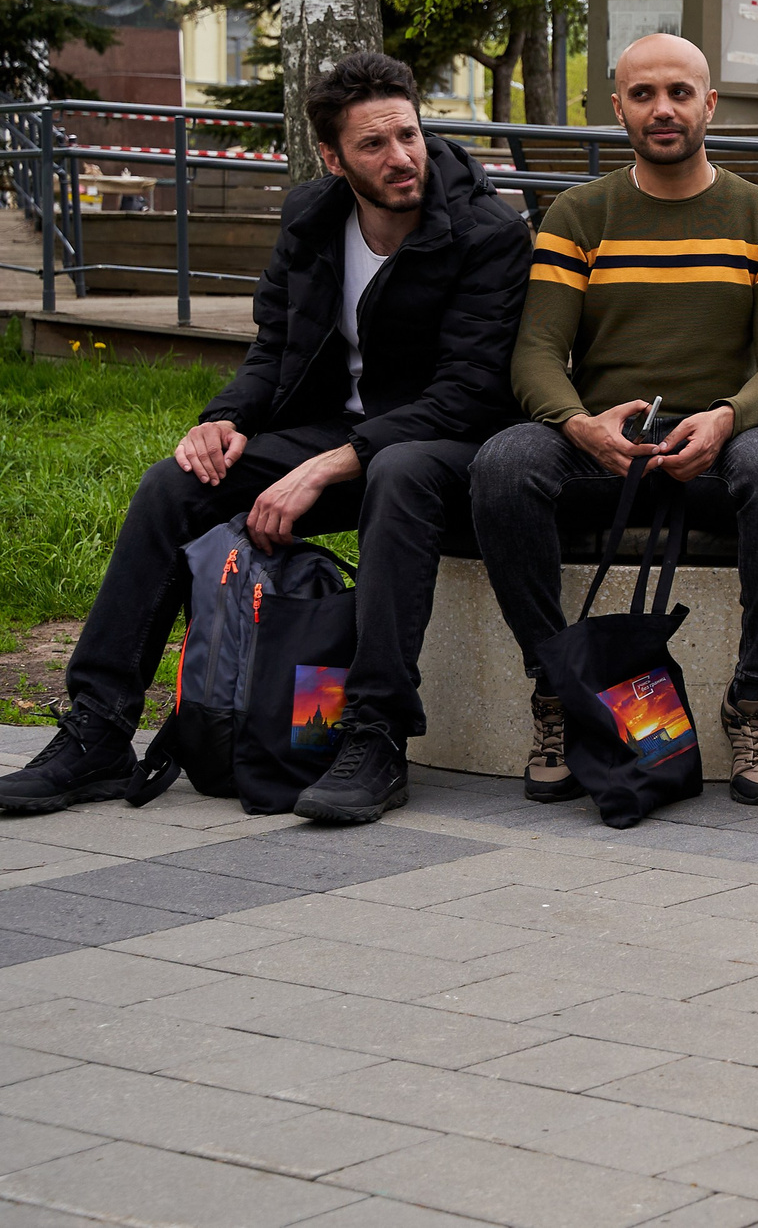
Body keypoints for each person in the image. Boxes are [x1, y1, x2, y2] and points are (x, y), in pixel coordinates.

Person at [0, 52, 530, 823]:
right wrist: (224, 420)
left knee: (399, 473)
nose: (401, 157)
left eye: (409, 135)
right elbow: (274, 351)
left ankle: (376, 736)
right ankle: (101, 728)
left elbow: (470, 391)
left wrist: (328, 464)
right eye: (374, 145)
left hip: (445, 445)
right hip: (329, 435)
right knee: (173, 486)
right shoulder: (312, 219)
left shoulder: (487, 232)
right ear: (332, 155)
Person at [472, 32, 758, 807]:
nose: (663, 109)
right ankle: (556, 689)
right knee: (502, 464)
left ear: (710, 104)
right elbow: (535, 353)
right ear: (617, 107)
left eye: (680, 93)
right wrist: (579, 424)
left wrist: (727, 419)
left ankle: (754, 698)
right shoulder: (578, 213)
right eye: (643, 94)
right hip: (601, 441)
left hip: (723, 439)